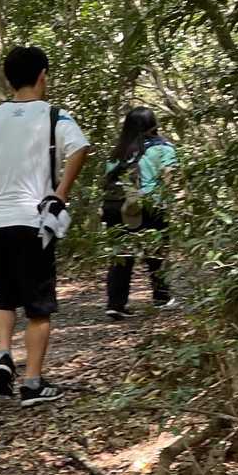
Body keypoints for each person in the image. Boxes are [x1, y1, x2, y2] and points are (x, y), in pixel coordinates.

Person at [0, 46, 91, 407]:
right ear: (42, 75)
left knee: (4, 296)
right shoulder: (54, 116)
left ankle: (2, 354)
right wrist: (60, 193)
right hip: (33, 221)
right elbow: (79, 148)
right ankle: (32, 383)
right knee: (38, 307)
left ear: (9, 80)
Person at [102, 107, 177, 318]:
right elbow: (169, 178)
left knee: (121, 255)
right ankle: (161, 297)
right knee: (156, 252)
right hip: (150, 205)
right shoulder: (163, 148)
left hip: (116, 207)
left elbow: (108, 182)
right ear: (153, 124)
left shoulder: (118, 152)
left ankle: (116, 304)